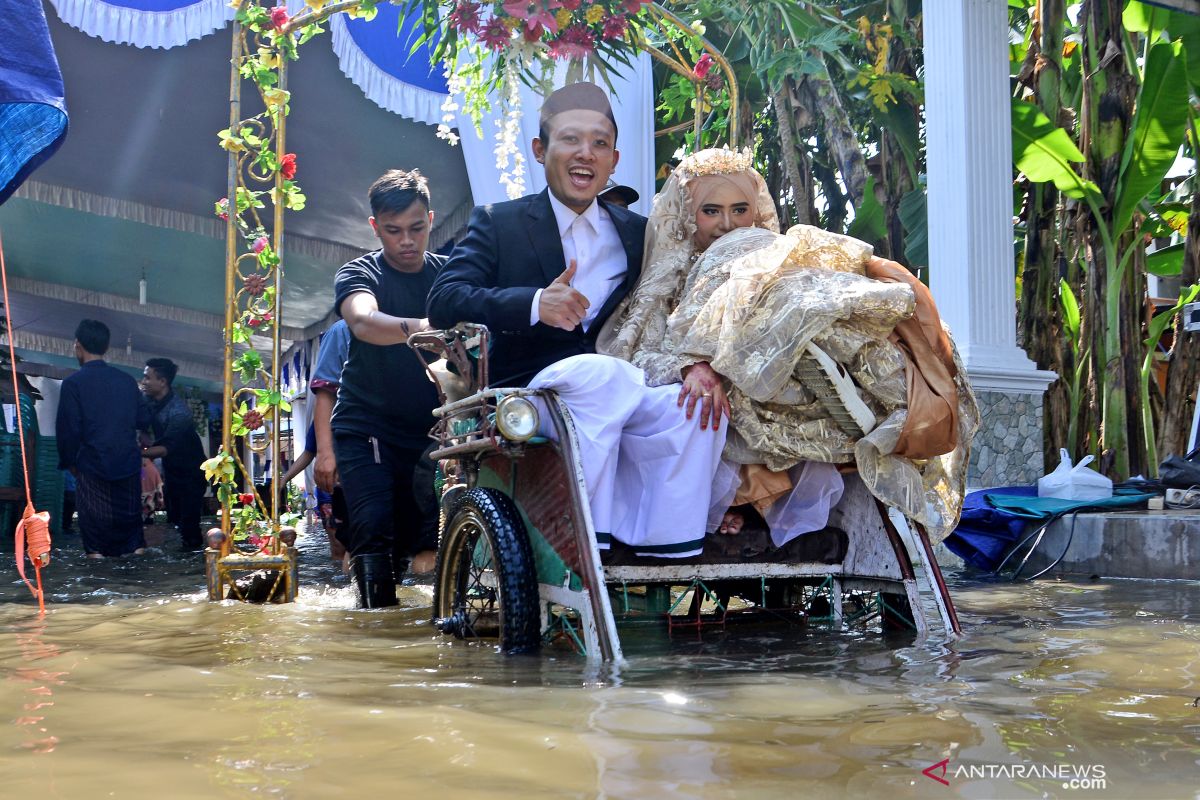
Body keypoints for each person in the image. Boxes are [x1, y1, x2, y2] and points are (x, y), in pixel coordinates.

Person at [597, 147, 980, 545]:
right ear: (686, 217)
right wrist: (691, 365)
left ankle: (846, 363)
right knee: (707, 396)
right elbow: (637, 349)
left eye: (740, 210)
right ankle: (746, 498)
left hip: (781, 358)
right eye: (711, 211)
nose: (728, 224)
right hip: (728, 391)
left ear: (755, 211)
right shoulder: (668, 278)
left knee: (810, 296)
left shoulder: (771, 255)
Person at [428, 82, 726, 560]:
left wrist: (695, 365)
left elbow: (673, 304)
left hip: (624, 382)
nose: (585, 153)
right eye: (570, 139)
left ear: (614, 159)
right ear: (540, 149)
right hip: (532, 393)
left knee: (691, 407)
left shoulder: (639, 232)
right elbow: (445, 298)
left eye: (599, 143)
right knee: (601, 373)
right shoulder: (498, 222)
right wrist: (533, 303)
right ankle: (587, 544)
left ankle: (666, 551)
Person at [333, 169, 444, 608]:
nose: (406, 241)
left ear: (431, 220)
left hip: (432, 431)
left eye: (416, 229)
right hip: (367, 427)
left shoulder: (448, 277)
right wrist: (424, 328)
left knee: (427, 533)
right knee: (374, 527)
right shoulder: (359, 273)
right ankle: (374, 628)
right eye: (393, 231)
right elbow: (362, 321)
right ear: (375, 227)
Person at [55, 319, 151, 557]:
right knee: (131, 529)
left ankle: (97, 584)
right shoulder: (127, 381)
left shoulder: (73, 384)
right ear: (106, 347)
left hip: (92, 465)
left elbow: (68, 430)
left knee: (95, 535)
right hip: (127, 465)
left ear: (77, 345)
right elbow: (143, 419)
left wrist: (70, 463)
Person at [141, 357, 208, 550]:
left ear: (162, 382)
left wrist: (135, 453)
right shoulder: (150, 401)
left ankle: (195, 570)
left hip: (192, 474)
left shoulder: (179, 412)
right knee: (175, 522)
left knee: (189, 527)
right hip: (173, 473)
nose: (143, 381)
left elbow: (164, 449)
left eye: (147, 377)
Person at [309, 318, 352, 564]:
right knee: (351, 542)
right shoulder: (342, 331)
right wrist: (325, 454)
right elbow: (308, 450)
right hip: (345, 463)